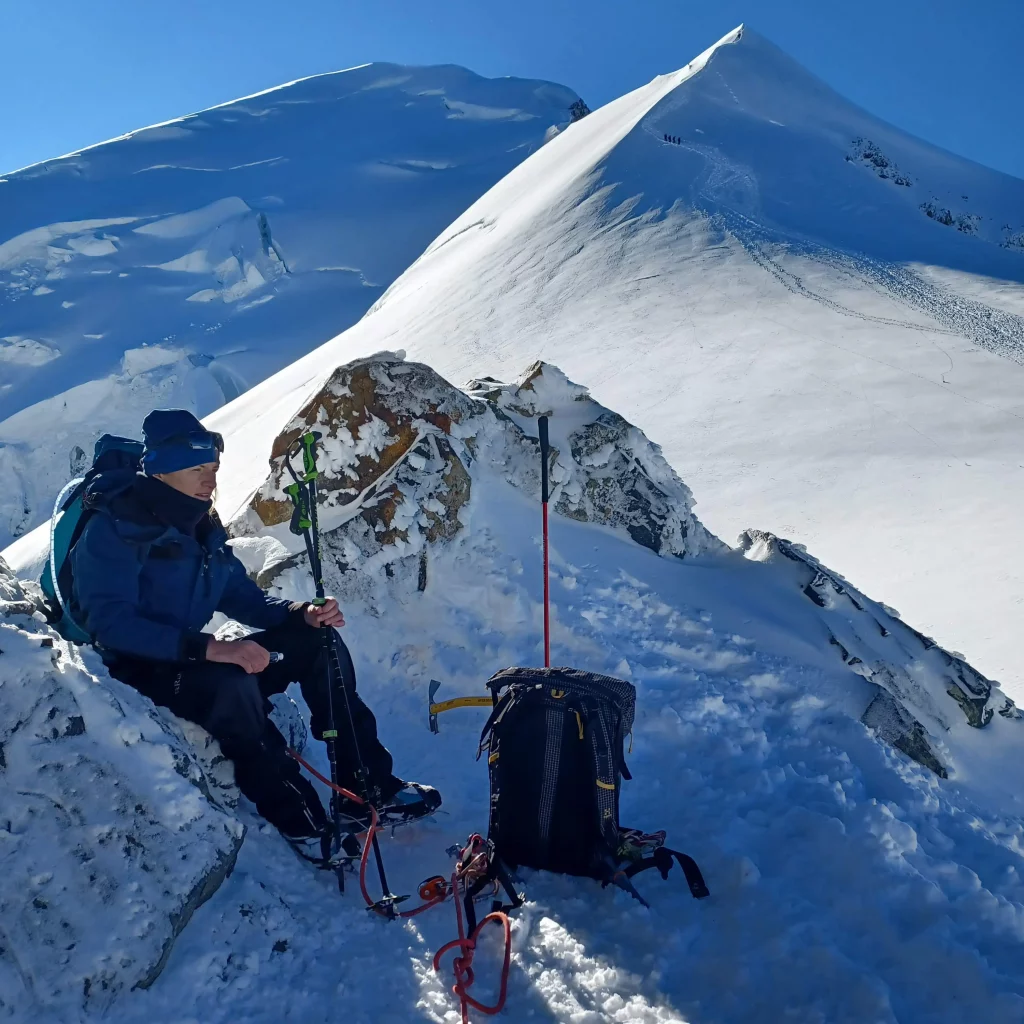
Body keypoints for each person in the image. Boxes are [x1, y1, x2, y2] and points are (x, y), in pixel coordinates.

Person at [70, 409, 439, 863]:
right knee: (233, 688)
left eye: (212, 469)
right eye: (196, 469)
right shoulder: (115, 529)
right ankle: (301, 820)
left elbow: (237, 593)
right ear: (161, 470)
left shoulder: (199, 522)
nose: (209, 480)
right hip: (138, 669)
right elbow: (109, 622)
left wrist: (297, 613)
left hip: (192, 655)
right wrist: (212, 649)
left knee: (320, 642)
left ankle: (367, 787)